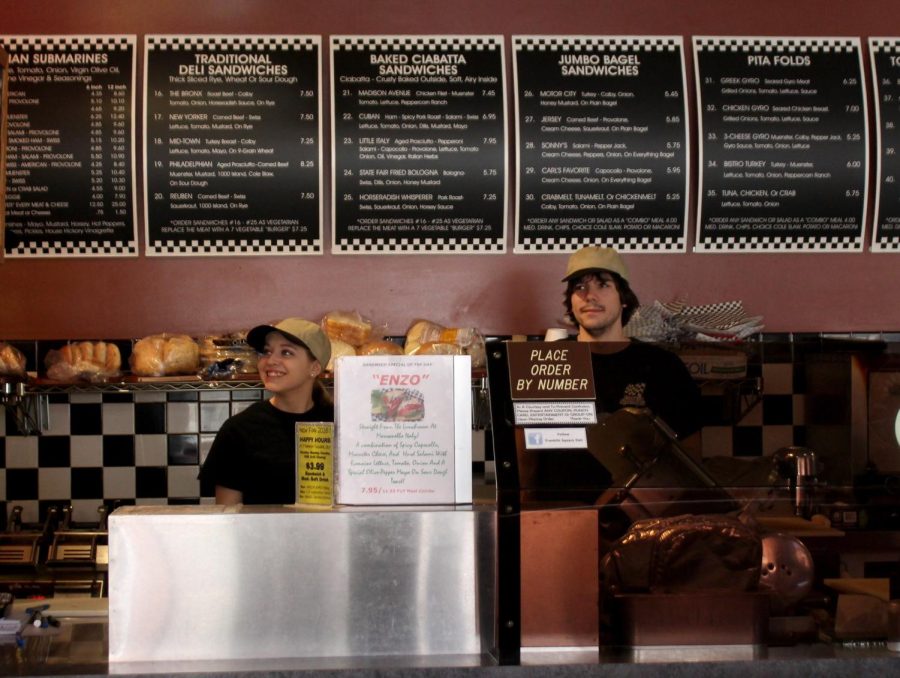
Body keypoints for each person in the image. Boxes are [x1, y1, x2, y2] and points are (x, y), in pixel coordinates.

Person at [561, 245, 702, 441]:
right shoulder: (547, 364)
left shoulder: (663, 367)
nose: (590, 296)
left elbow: (689, 451)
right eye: (580, 287)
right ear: (571, 301)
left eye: (603, 285)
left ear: (624, 299)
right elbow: (525, 451)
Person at [199, 317, 333, 505]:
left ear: (314, 367)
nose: (271, 361)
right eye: (266, 352)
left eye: (286, 352)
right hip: (259, 535)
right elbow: (227, 517)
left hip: (329, 534)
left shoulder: (340, 427)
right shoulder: (239, 430)